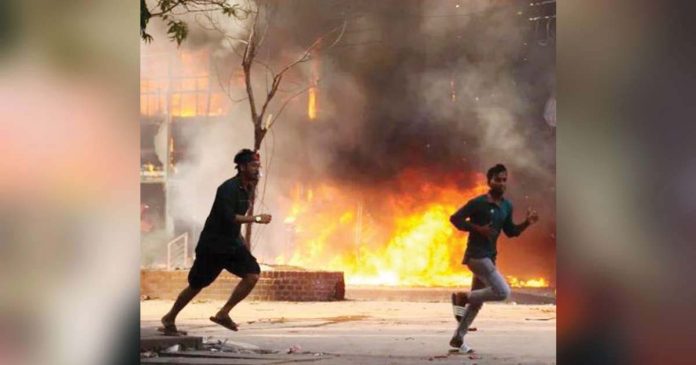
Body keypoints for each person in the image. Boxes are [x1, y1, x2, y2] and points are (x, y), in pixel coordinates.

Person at [159, 149, 272, 335]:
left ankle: (223, 313)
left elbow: (238, 219)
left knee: (252, 274)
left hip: (232, 245)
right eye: (253, 165)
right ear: (242, 167)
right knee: (197, 285)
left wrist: (241, 241)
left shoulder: (249, 188)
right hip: (213, 246)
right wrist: (257, 219)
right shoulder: (227, 188)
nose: (257, 169)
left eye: (258, 166)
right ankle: (169, 317)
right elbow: (229, 218)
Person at [448, 163, 539, 352]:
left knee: (477, 302)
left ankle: (458, 338)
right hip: (476, 256)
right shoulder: (478, 203)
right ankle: (461, 296)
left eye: (504, 180)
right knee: (502, 292)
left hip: (489, 256)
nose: (502, 183)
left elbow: (511, 232)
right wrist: (477, 228)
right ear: (489, 181)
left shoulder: (506, 206)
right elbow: (455, 219)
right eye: (498, 180)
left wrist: (527, 223)